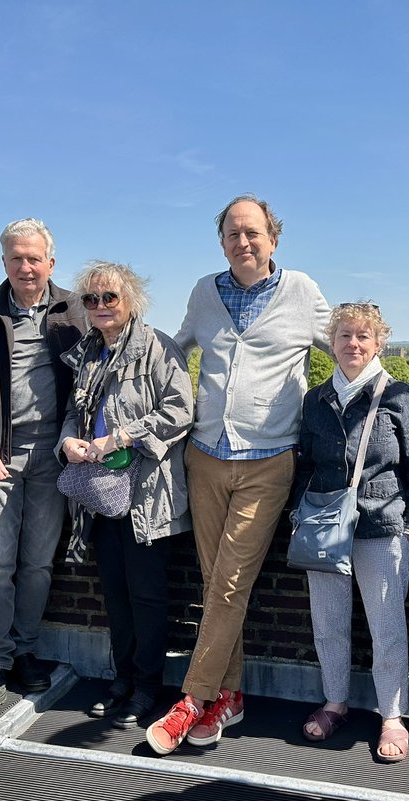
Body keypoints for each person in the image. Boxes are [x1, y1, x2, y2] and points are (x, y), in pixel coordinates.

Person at [146, 194, 332, 756]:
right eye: (232, 233)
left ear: (273, 238)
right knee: (215, 585)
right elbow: (172, 352)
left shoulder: (301, 291)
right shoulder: (205, 292)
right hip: (203, 454)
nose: (242, 242)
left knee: (229, 583)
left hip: (268, 460)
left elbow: (349, 347)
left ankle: (190, 700)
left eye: (252, 232)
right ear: (221, 241)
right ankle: (231, 695)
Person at [0, 218, 87, 709]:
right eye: (17, 258)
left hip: (55, 456)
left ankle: (26, 652)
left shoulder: (75, 308)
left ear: (50, 262)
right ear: (4, 262)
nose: (26, 267)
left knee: (37, 564)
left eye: (35, 258)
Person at [57, 262, 194, 728]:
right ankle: (122, 679)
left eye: (109, 298)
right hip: (100, 495)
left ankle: (146, 687)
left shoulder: (158, 348)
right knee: (115, 594)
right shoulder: (87, 354)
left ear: (131, 300)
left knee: (147, 597)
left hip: (146, 497)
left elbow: (179, 412)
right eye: (91, 300)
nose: (99, 307)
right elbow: (73, 415)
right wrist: (67, 443)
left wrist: (121, 437)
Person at [294, 303, 409, 763]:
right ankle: (335, 701)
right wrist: (300, 514)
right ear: (331, 342)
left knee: (386, 626)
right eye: (345, 335)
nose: (353, 343)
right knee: (328, 624)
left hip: (381, 526)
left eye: (363, 337)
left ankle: (392, 715)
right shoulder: (315, 400)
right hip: (325, 529)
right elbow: (305, 464)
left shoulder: (400, 397)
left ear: (378, 343)